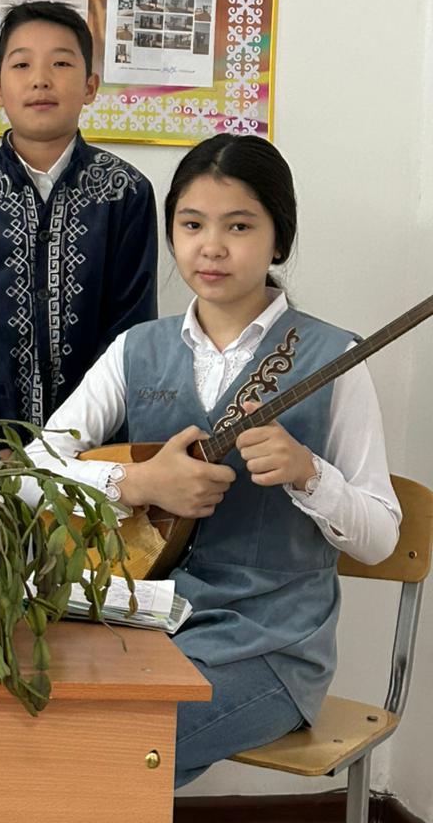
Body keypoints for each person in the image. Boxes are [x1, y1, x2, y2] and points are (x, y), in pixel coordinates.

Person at [23, 134, 401, 786]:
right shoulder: (137, 349)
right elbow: (29, 473)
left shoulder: (335, 358)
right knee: (21, 705)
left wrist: (309, 474)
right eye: (192, 224)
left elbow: (380, 538)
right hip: (142, 620)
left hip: (271, 644)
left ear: (279, 239)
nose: (212, 246)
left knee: (113, 746)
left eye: (239, 226)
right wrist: (137, 481)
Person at [0, 0, 157, 440]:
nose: (40, 79)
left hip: (94, 445)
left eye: (61, 63)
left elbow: (131, 327)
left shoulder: (125, 191)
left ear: (90, 86)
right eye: (22, 64)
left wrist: (81, 436)